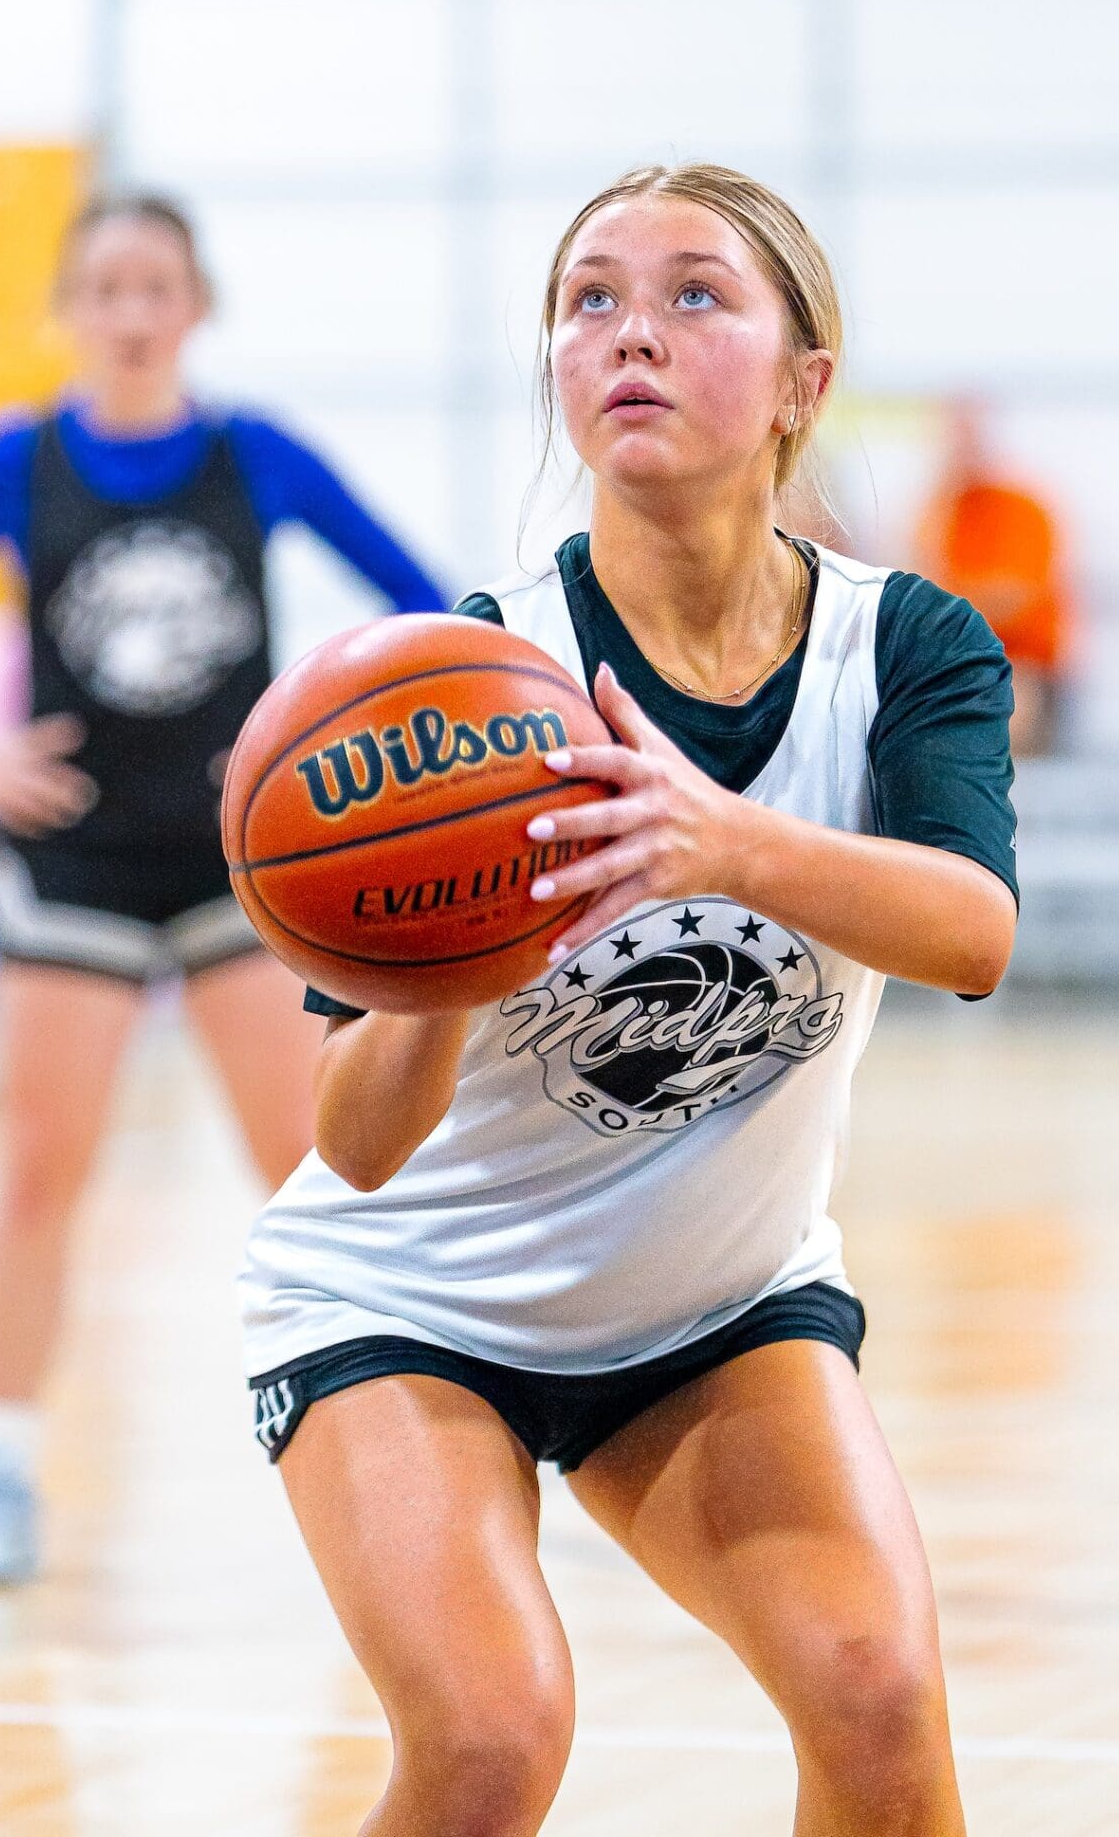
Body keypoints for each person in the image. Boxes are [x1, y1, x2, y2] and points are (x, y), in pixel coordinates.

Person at [240, 163, 1017, 1837]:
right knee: (490, 1743)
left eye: (690, 295)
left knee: (877, 1705)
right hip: (410, 1302)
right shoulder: (466, 675)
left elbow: (970, 934)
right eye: (587, 299)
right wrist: (461, 970)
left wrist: (721, 843)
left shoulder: (904, 646)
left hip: (709, 1308)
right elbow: (356, 1145)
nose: (628, 335)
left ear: (803, 383)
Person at [0, 192, 447, 1588]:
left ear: (195, 307)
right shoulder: (7, 463)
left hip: (244, 868)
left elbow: (421, 606)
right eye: (103, 287)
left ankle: (406, 1453)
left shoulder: (259, 455)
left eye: (153, 287)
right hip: (71, 863)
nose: (128, 312)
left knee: (314, 1179)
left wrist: (355, 756)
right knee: (36, 1171)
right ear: (68, 307)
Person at [914, 399, 1072, 757]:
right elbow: (919, 589)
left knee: (1004, 703)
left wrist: (951, 600)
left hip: (1022, 667)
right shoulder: (943, 513)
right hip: (960, 667)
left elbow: (1014, 601)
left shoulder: (1022, 509)